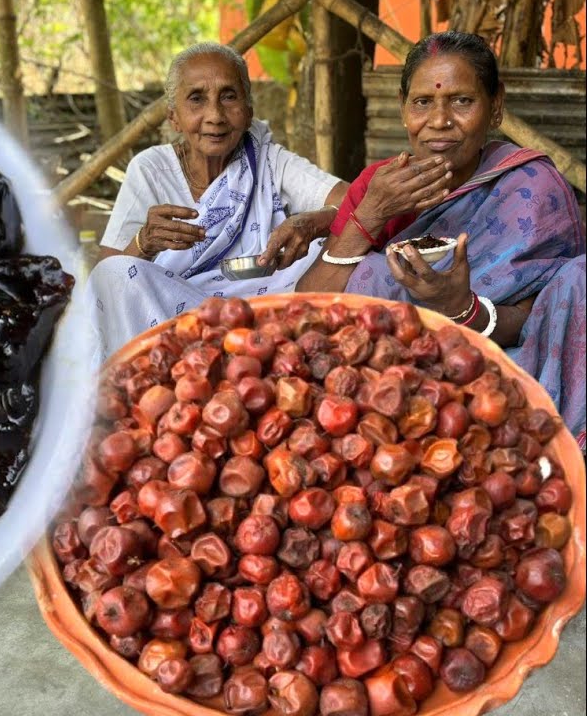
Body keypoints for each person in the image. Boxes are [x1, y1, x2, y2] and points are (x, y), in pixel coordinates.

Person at [296, 31, 586, 447]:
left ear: (496, 105)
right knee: (373, 271)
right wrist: (370, 216)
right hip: (399, 389)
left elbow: (550, 314)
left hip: (517, 377)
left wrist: (459, 308)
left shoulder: (532, 189)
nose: (439, 121)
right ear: (403, 110)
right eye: (422, 102)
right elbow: (308, 307)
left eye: (462, 101)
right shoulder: (378, 187)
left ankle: (560, 458)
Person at [90, 42, 347, 357]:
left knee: (339, 245)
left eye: (228, 96)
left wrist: (311, 222)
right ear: (174, 117)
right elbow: (107, 277)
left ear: (248, 110)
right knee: (114, 275)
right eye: (196, 99)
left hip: (259, 315)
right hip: (173, 317)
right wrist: (144, 243)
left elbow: (351, 201)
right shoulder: (151, 169)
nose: (215, 115)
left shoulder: (266, 160)